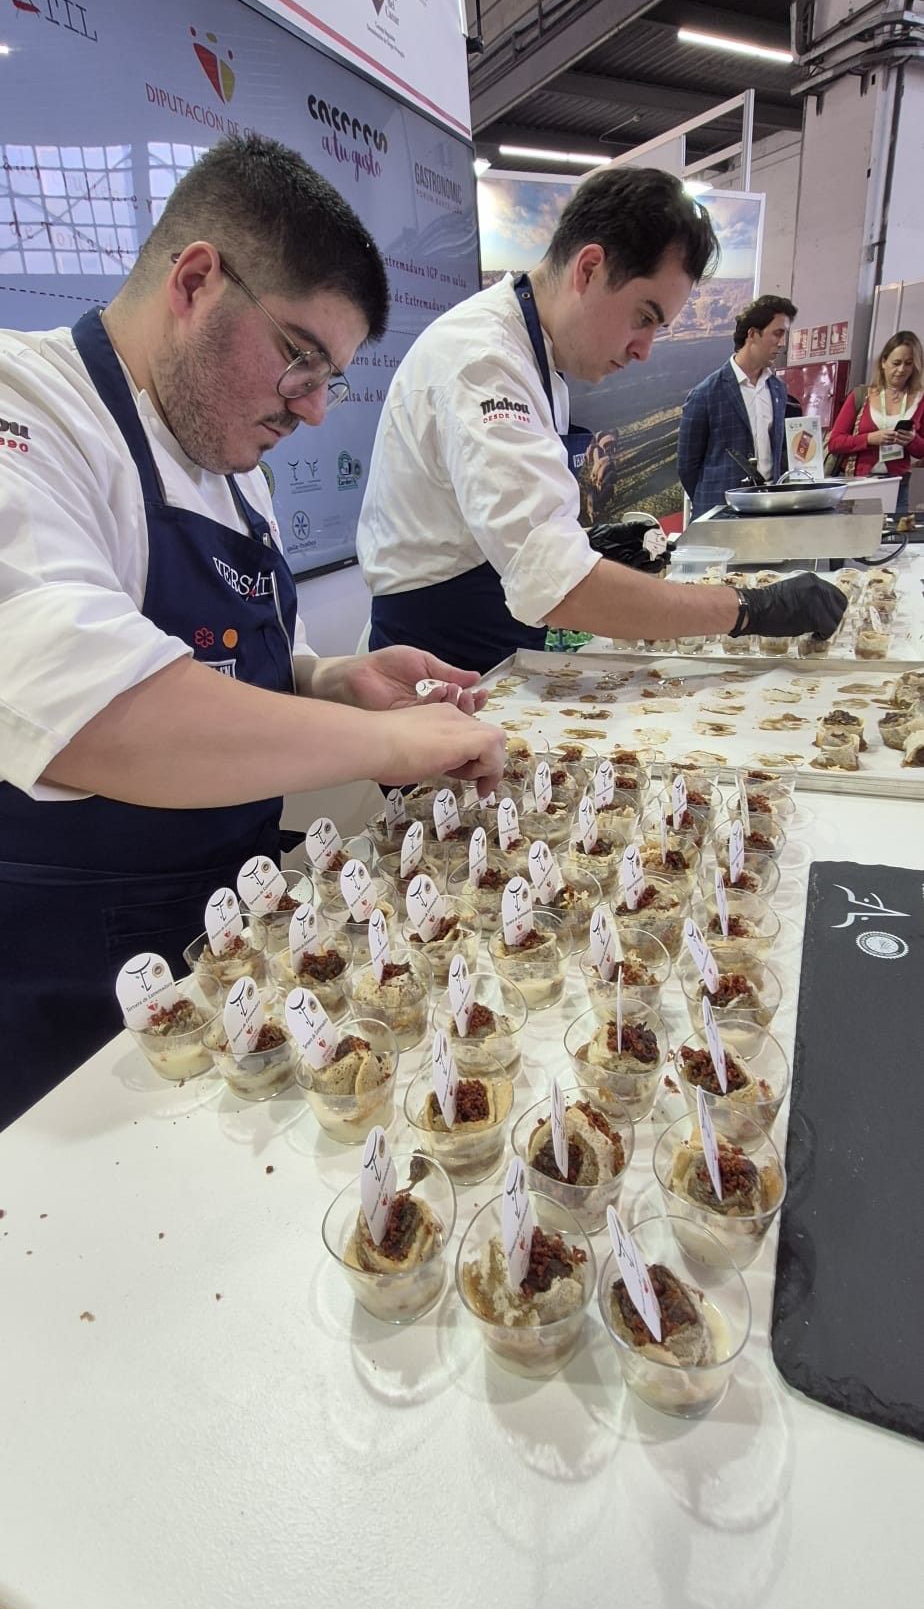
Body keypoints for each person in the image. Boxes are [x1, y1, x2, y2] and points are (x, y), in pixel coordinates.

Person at [0, 134, 505, 1127]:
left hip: (234, 932)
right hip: (78, 986)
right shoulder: (33, 412)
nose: (315, 410)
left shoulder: (236, 470)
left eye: (332, 379)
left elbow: (228, 662)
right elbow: (102, 712)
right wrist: (395, 740)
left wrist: (331, 679)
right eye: (299, 360)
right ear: (195, 280)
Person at [357, 170, 842, 672]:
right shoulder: (485, 363)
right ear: (589, 269)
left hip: (493, 641)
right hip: (440, 657)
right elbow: (558, 585)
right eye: (644, 317)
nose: (644, 350)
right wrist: (749, 608)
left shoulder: (536, 355)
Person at [677, 293, 797, 517]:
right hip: (720, 515)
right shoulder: (706, 394)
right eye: (777, 333)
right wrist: (712, 499)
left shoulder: (778, 390)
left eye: (785, 335)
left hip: (769, 512)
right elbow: (687, 466)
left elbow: (779, 451)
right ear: (752, 334)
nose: (783, 343)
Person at [827, 331, 924, 514]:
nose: (902, 369)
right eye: (896, 363)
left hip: (897, 486)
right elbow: (835, 443)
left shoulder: (920, 401)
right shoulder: (860, 395)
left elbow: (921, 452)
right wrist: (871, 438)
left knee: (893, 539)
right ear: (883, 362)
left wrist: (911, 440)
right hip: (858, 484)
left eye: (908, 364)